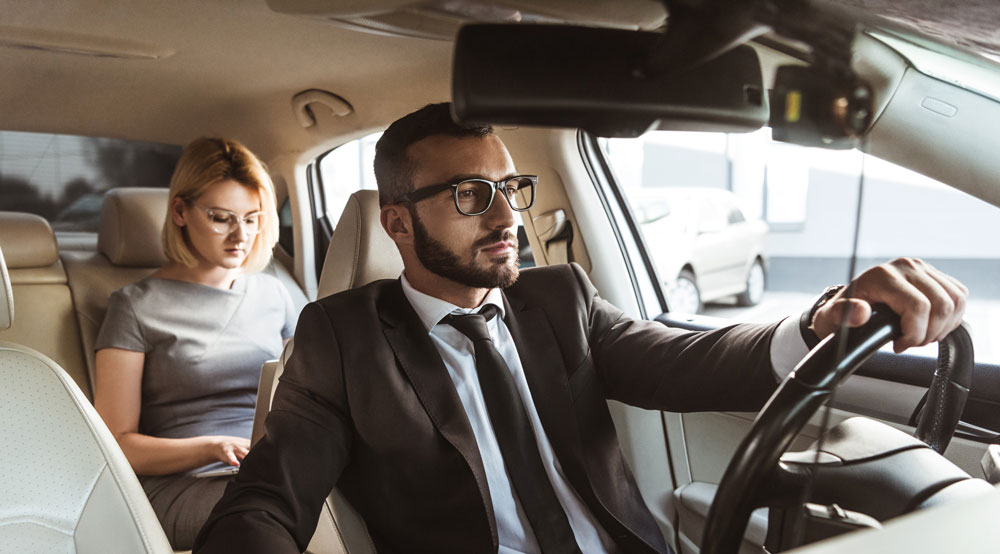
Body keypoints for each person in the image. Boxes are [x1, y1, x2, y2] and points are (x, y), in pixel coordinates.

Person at [194, 104, 967, 554]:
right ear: (396, 222)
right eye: (470, 195)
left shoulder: (558, 298)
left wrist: (821, 322)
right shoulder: (341, 337)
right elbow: (268, 502)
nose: (506, 218)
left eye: (510, 188)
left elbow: (688, 360)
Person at [93, 137, 298, 550]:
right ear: (180, 211)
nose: (241, 235)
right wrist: (213, 447)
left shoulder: (275, 293)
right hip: (187, 483)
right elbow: (117, 444)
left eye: (253, 218)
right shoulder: (134, 306)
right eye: (221, 217)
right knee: (271, 515)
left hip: (277, 468)